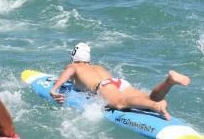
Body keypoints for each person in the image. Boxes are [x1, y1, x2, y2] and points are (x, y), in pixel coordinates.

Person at [50, 42, 190, 120]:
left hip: (105, 86)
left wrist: (54, 89)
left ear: (73, 57)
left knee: (120, 103)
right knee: (148, 98)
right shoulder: (97, 67)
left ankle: (162, 96)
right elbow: (110, 84)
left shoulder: (74, 66)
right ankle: (163, 94)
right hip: (118, 82)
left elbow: (69, 72)